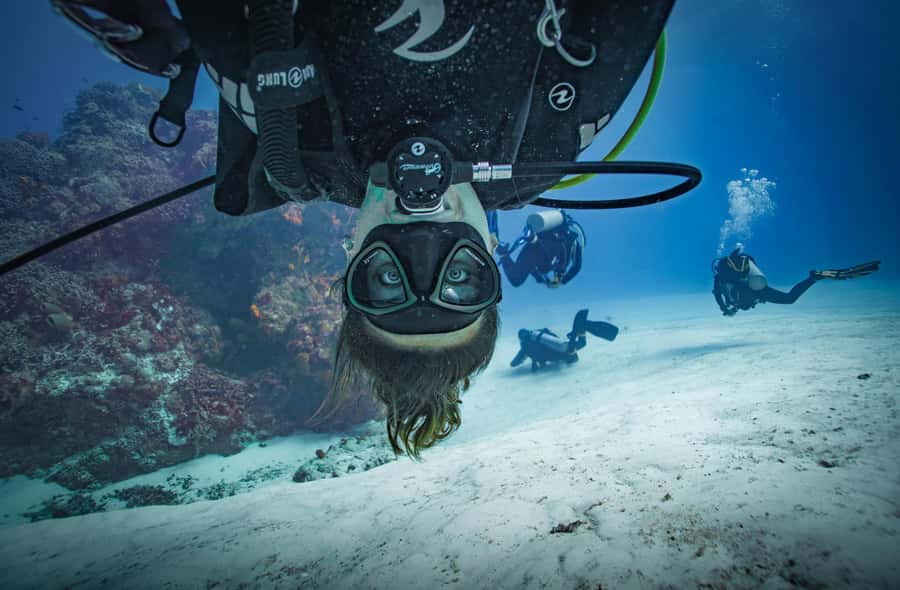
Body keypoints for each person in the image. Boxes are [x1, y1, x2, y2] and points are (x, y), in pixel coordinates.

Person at [54, 0, 680, 456]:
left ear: (351, 254)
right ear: (492, 250)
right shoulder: (552, 134)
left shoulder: (291, 143)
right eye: (459, 279)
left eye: (386, 282)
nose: (421, 236)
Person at [713, 243, 880, 316]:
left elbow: (717, 294)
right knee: (789, 298)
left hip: (752, 293)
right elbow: (718, 294)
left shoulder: (720, 278)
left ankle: (814, 278)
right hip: (757, 290)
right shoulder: (726, 276)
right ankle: (814, 277)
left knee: (788, 299)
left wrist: (725, 309)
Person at [496, 209, 585, 288]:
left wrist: (539, 278)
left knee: (516, 280)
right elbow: (576, 266)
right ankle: (531, 241)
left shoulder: (559, 234)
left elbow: (534, 268)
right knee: (545, 267)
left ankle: (503, 253)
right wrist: (562, 280)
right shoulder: (572, 241)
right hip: (545, 249)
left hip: (532, 246)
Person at [511, 309, 618, 371]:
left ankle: (580, 329)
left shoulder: (526, 346)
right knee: (577, 346)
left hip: (561, 350)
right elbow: (553, 337)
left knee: (578, 346)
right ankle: (581, 328)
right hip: (560, 348)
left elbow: (517, 361)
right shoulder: (537, 336)